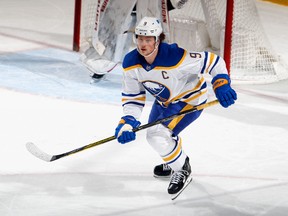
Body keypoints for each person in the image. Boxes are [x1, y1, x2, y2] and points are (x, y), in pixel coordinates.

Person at [114, 17, 237, 198]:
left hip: (190, 99)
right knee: (159, 136)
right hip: (165, 101)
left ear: (157, 40)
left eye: (148, 40)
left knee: (156, 136)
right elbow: (133, 97)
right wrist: (127, 122)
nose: (143, 44)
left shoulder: (175, 57)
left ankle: (182, 168)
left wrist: (221, 83)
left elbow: (213, 61)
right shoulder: (131, 63)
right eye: (140, 38)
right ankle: (174, 160)